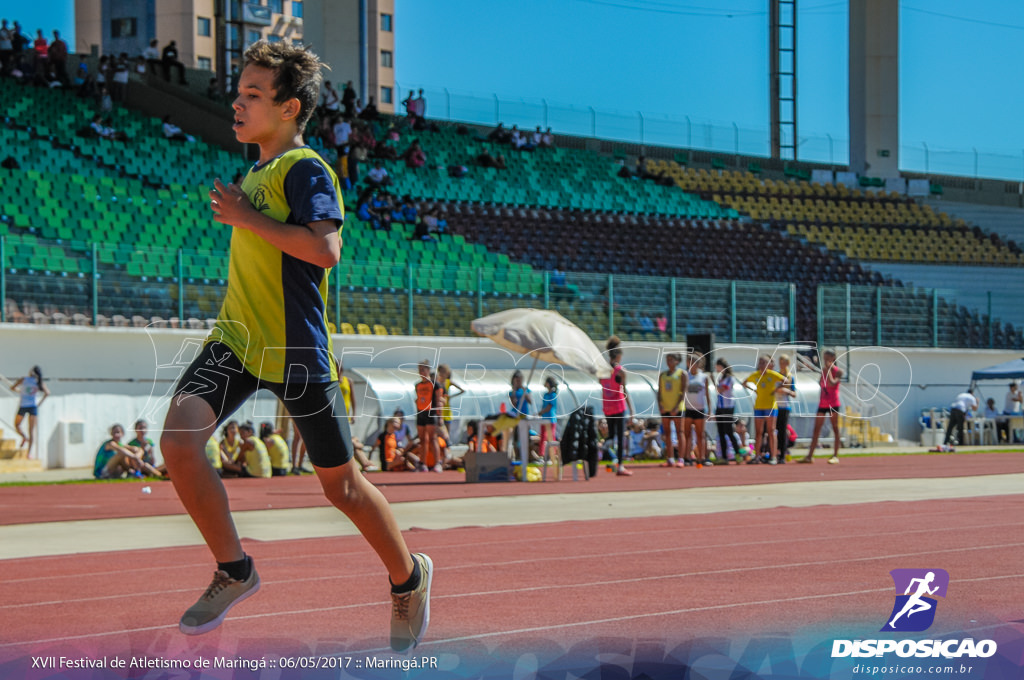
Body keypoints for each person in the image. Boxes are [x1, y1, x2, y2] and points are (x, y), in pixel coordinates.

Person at [158, 40, 430, 651]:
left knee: (342, 487)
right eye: (239, 91)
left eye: (253, 95)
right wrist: (245, 210)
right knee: (178, 443)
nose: (237, 102)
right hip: (236, 341)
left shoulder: (305, 169)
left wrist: (246, 217)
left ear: (290, 108)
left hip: (296, 350)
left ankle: (408, 577)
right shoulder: (256, 171)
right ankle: (235, 570)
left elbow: (325, 250)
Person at [800, 349, 844, 464]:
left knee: (835, 428)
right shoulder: (823, 371)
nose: (825, 361)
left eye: (827, 358)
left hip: (833, 404)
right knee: (816, 429)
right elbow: (821, 385)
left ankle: (835, 455)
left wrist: (828, 370)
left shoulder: (838, 371)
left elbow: (832, 383)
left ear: (833, 358)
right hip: (823, 403)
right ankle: (810, 456)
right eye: (824, 358)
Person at [600, 336, 634, 476]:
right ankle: (619, 465)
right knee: (620, 437)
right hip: (619, 406)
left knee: (611, 435)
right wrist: (632, 410)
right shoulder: (620, 371)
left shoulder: (603, 370)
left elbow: (602, 384)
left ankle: (604, 447)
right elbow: (624, 391)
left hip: (607, 406)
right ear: (618, 355)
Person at [742, 355, 784, 465]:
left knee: (771, 430)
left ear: (769, 364)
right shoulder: (755, 375)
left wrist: (776, 389)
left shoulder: (772, 374)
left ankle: (773, 456)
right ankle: (757, 456)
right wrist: (754, 390)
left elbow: (786, 380)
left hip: (771, 406)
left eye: (764, 362)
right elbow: (744, 382)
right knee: (758, 432)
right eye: (760, 362)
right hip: (759, 406)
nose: (762, 365)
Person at [94, 423, 162, 479]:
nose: (116, 435)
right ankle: (132, 472)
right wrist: (135, 458)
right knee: (122, 454)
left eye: (118, 432)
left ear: (122, 434)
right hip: (102, 472)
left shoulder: (121, 444)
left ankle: (158, 475)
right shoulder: (109, 444)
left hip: (116, 471)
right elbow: (121, 450)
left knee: (135, 456)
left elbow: (137, 449)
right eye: (114, 433)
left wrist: (138, 454)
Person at [9, 366, 49, 459]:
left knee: (17, 425)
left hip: (24, 405)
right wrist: (39, 403)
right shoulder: (38, 382)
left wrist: (20, 391)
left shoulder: (24, 379)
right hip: (32, 406)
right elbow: (47, 393)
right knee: (31, 430)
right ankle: (28, 452)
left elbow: (12, 387)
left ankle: (25, 440)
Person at [681, 354, 712, 467]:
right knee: (687, 434)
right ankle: (687, 457)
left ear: (699, 364)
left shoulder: (703, 377)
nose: (692, 364)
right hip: (688, 408)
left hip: (699, 408)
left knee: (700, 434)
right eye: (690, 362)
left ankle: (702, 457)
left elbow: (707, 394)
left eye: (695, 362)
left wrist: (709, 410)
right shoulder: (685, 375)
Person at [657, 352, 686, 468]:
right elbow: (659, 391)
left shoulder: (681, 374)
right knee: (667, 433)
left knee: (680, 432)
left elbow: (683, 392)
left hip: (677, 407)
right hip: (665, 407)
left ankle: (681, 458)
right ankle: (670, 458)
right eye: (667, 360)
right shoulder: (662, 374)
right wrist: (660, 405)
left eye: (671, 360)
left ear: (677, 361)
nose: (669, 362)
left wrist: (676, 406)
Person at [712, 358, 742, 465]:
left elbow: (721, 389)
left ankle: (738, 454)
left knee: (728, 431)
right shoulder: (721, 378)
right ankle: (724, 457)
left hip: (728, 407)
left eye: (718, 366)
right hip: (720, 407)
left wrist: (713, 381)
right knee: (721, 432)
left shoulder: (729, 378)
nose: (716, 368)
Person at [414, 361, 443, 472]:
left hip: (431, 412)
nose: (421, 372)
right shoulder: (417, 385)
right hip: (421, 412)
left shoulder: (435, 385)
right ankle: (423, 463)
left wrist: (440, 417)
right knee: (422, 439)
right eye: (419, 369)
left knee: (432, 438)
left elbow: (438, 400)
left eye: (423, 369)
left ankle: (437, 463)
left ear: (428, 370)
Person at [775, 355, 797, 464]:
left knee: (783, 430)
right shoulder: (776, 375)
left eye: (784, 362)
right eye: (780, 361)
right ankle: (774, 452)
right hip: (775, 406)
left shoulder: (790, 377)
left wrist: (786, 391)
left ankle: (783, 454)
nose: (782, 364)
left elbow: (794, 393)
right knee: (774, 430)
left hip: (784, 406)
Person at [538, 376, 559, 461]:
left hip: (551, 419)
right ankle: (541, 455)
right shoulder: (545, 395)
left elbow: (550, 406)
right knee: (543, 437)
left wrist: (542, 412)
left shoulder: (553, 395)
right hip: (544, 419)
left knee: (551, 437)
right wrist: (541, 413)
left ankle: (553, 455)